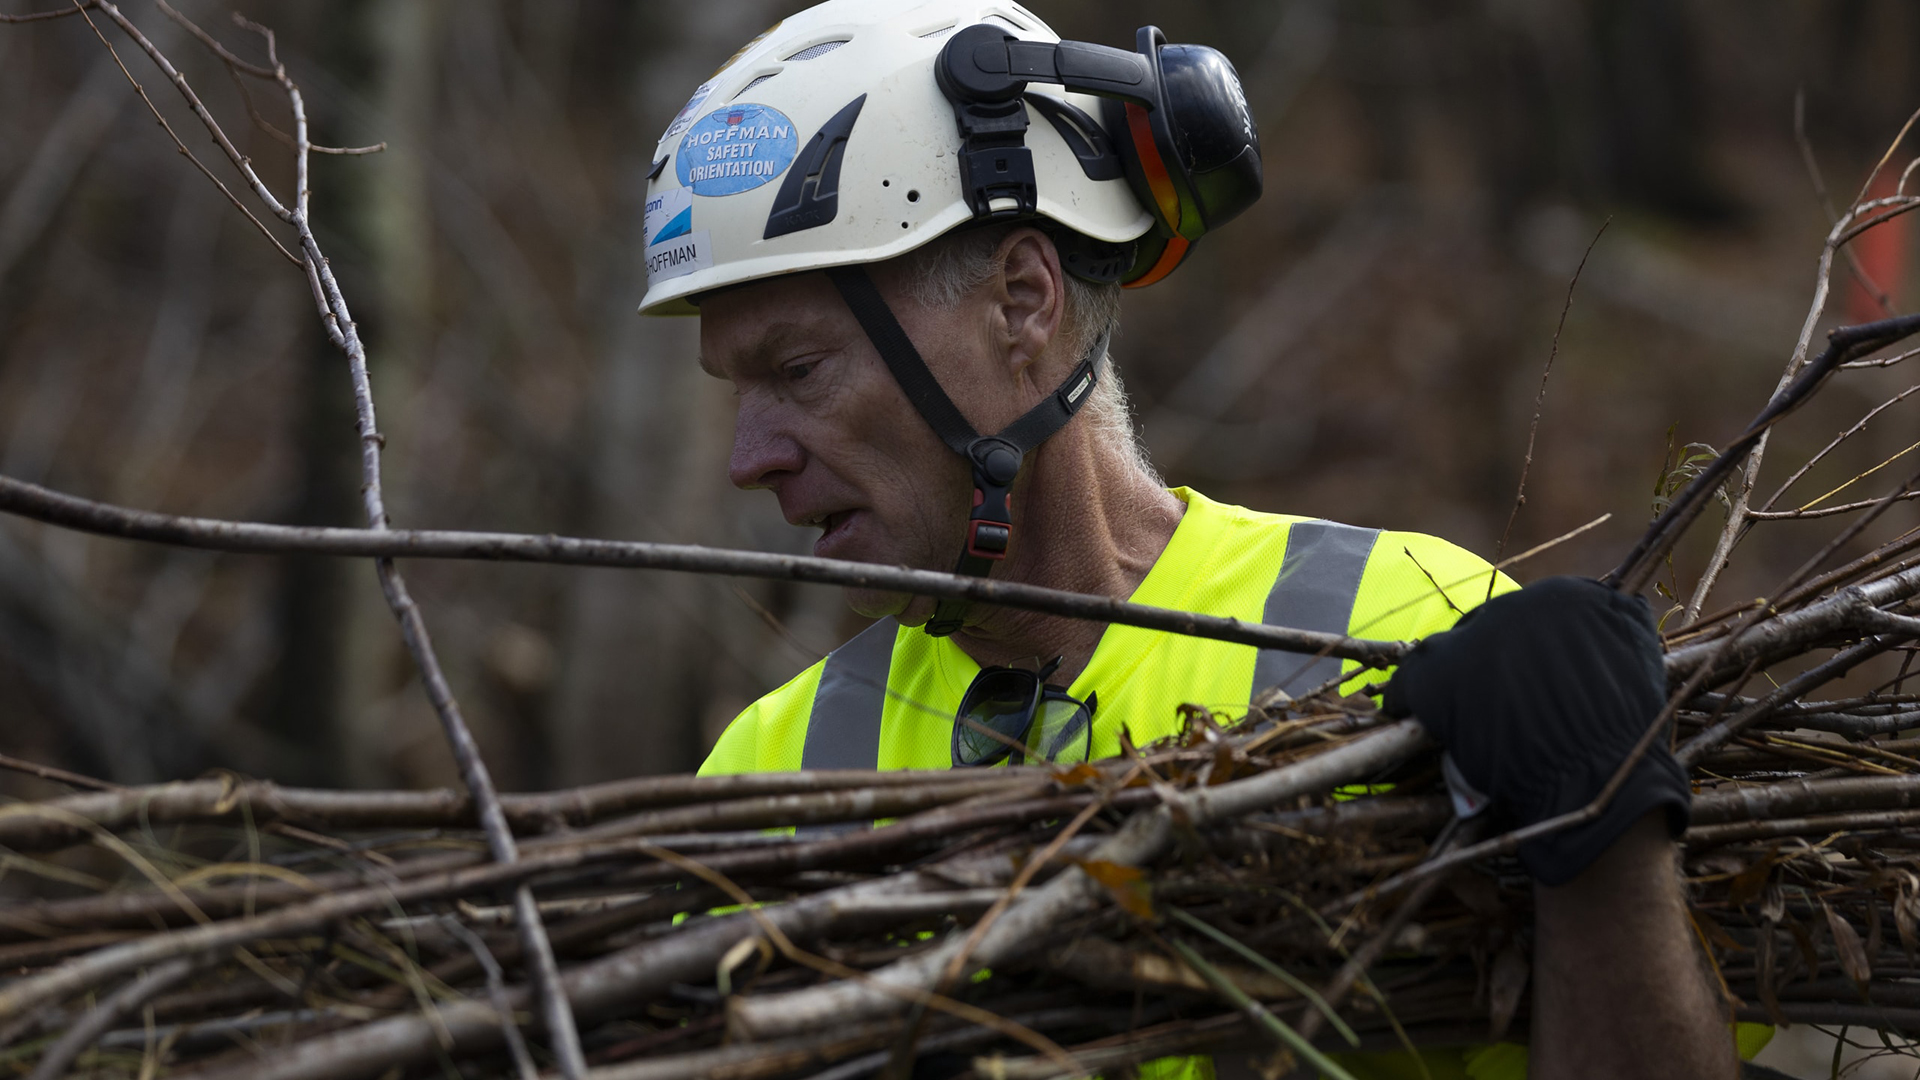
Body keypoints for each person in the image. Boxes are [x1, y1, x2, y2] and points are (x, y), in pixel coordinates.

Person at [639, 2, 1750, 1075]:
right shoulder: (766, 774)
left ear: (1022, 301)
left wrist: (1604, 855)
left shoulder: (1401, 626)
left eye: (797, 372)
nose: (752, 456)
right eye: (738, 393)